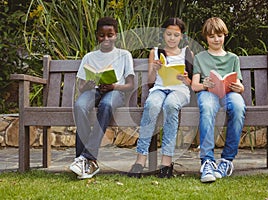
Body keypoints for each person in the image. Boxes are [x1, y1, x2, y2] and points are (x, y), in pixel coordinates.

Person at [69, 17, 135, 179]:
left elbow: (130, 85)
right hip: (94, 90)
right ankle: (86, 161)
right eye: (101, 35)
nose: (105, 39)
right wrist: (89, 85)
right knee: (79, 106)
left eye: (109, 35)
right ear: (97, 36)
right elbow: (81, 86)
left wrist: (114, 86)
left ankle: (86, 158)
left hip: (115, 92)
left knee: (106, 105)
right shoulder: (89, 57)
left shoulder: (124, 55)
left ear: (116, 35)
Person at [128, 17, 193, 178]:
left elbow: (191, 82)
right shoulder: (155, 52)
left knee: (171, 105)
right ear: (163, 34)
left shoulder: (187, 53)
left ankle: (166, 162)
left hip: (179, 90)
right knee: (152, 105)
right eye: (168, 34)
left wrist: (185, 79)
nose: (172, 38)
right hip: (159, 89)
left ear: (182, 36)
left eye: (176, 35)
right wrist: (155, 69)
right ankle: (140, 160)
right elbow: (150, 82)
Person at [191, 17, 246, 183]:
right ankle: (207, 161)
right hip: (209, 92)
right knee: (207, 107)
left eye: (220, 35)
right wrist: (204, 85)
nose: (216, 39)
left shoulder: (233, 58)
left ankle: (227, 161)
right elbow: (194, 85)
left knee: (238, 107)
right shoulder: (200, 58)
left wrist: (239, 88)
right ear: (206, 38)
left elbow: (240, 85)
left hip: (229, 92)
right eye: (212, 36)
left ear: (225, 35)